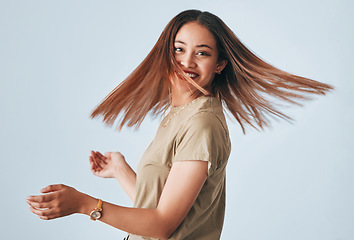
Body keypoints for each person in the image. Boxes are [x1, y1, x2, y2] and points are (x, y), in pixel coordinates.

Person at [26, 9, 333, 240]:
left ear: (220, 65)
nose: (187, 61)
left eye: (202, 53)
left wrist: (84, 204)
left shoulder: (202, 123)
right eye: (179, 49)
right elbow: (165, 208)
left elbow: (163, 225)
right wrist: (121, 170)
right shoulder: (180, 114)